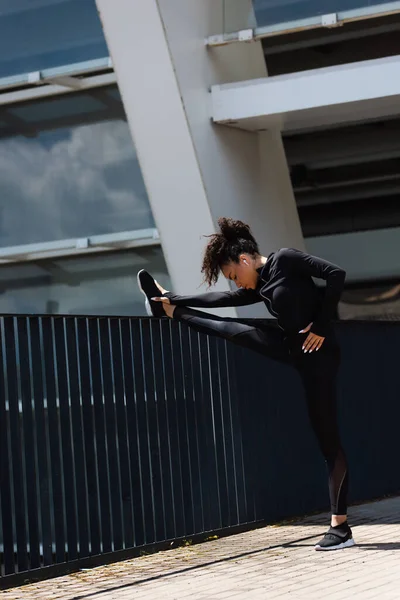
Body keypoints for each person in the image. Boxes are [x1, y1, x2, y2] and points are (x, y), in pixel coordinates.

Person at [137, 217, 354, 551]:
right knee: (230, 329)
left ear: (246, 259)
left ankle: (340, 528)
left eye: (235, 275)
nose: (238, 282)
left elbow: (336, 273)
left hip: (320, 357)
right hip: (290, 348)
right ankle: (168, 308)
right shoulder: (260, 283)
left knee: (329, 443)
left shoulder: (286, 259)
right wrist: (178, 297)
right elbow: (224, 301)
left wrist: (323, 325)